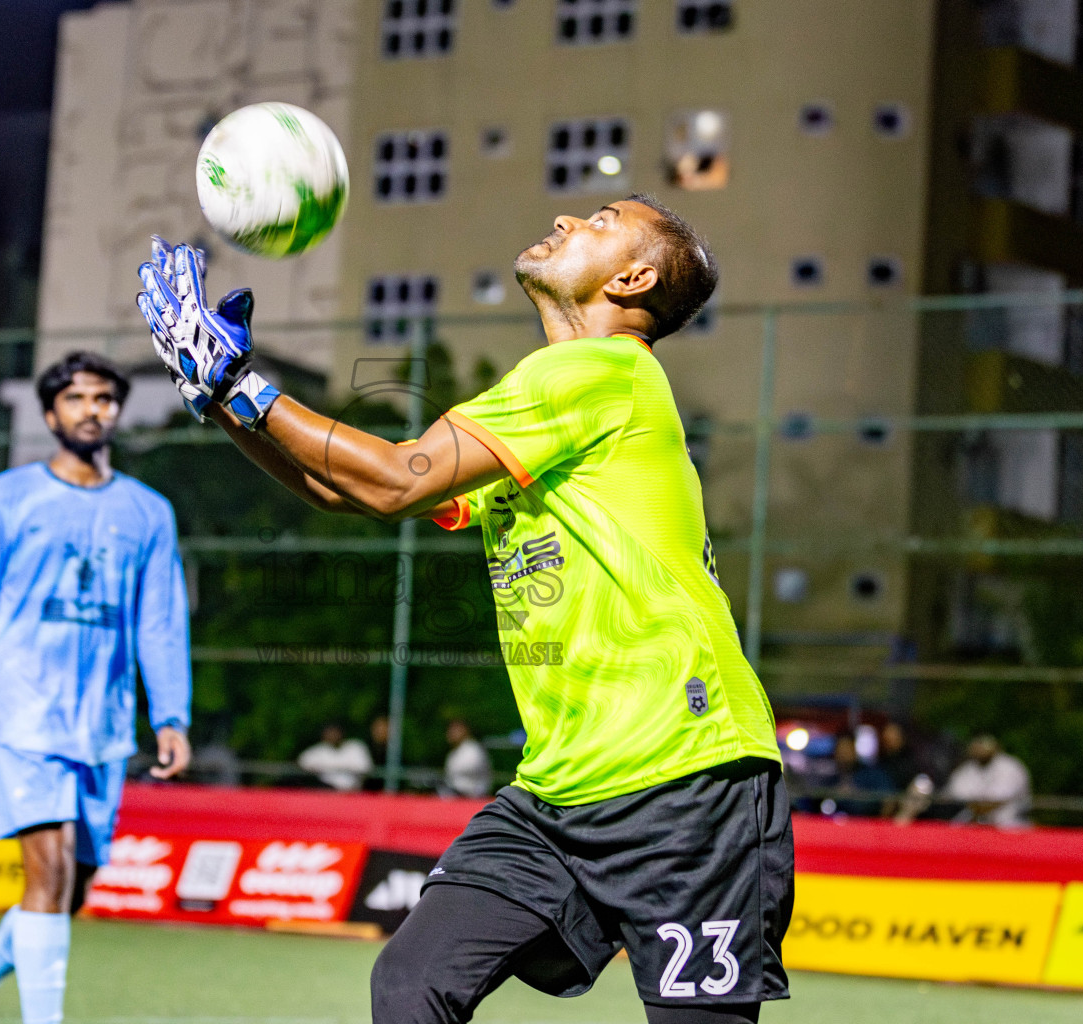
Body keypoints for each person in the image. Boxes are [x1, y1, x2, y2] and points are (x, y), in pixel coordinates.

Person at [138, 195, 791, 1023]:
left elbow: (393, 475)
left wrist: (237, 378)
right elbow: (356, 496)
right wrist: (221, 396)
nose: (564, 221)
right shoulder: (552, 399)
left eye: (597, 220)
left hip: (689, 774)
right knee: (414, 981)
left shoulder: (603, 372)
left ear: (635, 277)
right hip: (559, 790)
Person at [0, 351, 193, 1024]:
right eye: (75, 399)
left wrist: (171, 716)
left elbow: (159, 620)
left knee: (71, 888)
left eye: (103, 398)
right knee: (46, 870)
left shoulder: (149, 512)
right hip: (21, 714)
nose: (91, 409)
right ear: (49, 414)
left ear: (117, 411)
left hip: (103, 724)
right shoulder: (6, 498)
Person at [940, 734, 1031, 828]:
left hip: (1010, 824)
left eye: (984, 745)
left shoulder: (1009, 766)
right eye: (977, 745)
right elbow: (954, 795)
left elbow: (997, 800)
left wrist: (976, 806)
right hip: (973, 820)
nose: (980, 749)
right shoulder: (967, 768)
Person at [297, 723, 373, 792]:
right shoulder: (320, 750)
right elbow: (302, 762)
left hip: (353, 792)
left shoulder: (355, 747)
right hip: (326, 792)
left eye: (335, 733)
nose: (332, 735)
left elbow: (366, 768)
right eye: (329, 733)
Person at [441, 719, 492, 799]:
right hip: (456, 794)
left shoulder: (473, 749)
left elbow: (468, 771)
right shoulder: (454, 752)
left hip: (472, 796)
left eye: (455, 730)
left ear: (464, 730)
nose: (451, 733)